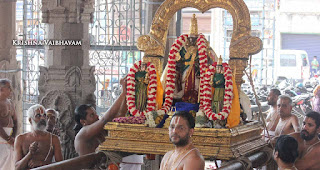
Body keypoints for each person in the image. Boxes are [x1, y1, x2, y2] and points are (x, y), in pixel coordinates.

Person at [74, 77, 127, 156]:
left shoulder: (101, 130)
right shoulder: (83, 133)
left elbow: (119, 117)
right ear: (83, 121)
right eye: (92, 115)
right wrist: (123, 93)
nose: (97, 116)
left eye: (95, 113)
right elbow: (105, 119)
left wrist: (127, 94)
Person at [15, 104, 63, 170]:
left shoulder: (54, 139)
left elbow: (61, 166)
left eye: (44, 115)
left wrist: (42, 164)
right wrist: (29, 154)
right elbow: (17, 168)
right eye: (38, 116)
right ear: (30, 120)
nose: (42, 118)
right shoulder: (20, 139)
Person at [0, 79, 18, 170]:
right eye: (9, 88)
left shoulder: (10, 102)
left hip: (10, 138)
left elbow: (15, 121)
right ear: (1, 89)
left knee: (11, 165)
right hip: (2, 139)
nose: (11, 90)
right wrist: (7, 138)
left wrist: (13, 137)